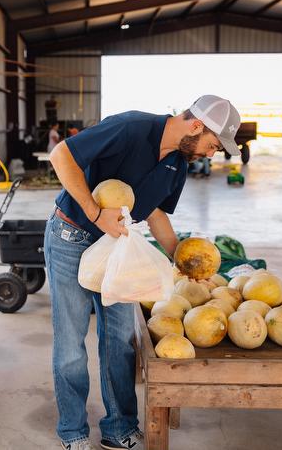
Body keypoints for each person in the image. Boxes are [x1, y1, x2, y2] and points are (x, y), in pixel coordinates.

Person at [45, 95, 241, 450]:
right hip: (71, 235)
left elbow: (154, 214)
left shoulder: (178, 163)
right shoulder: (131, 128)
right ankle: (72, 431)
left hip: (118, 248)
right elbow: (62, 156)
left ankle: (118, 427)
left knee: (120, 339)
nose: (212, 154)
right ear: (196, 126)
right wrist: (94, 212)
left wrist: (182, 259)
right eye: (213, 145)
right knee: (71, 342)